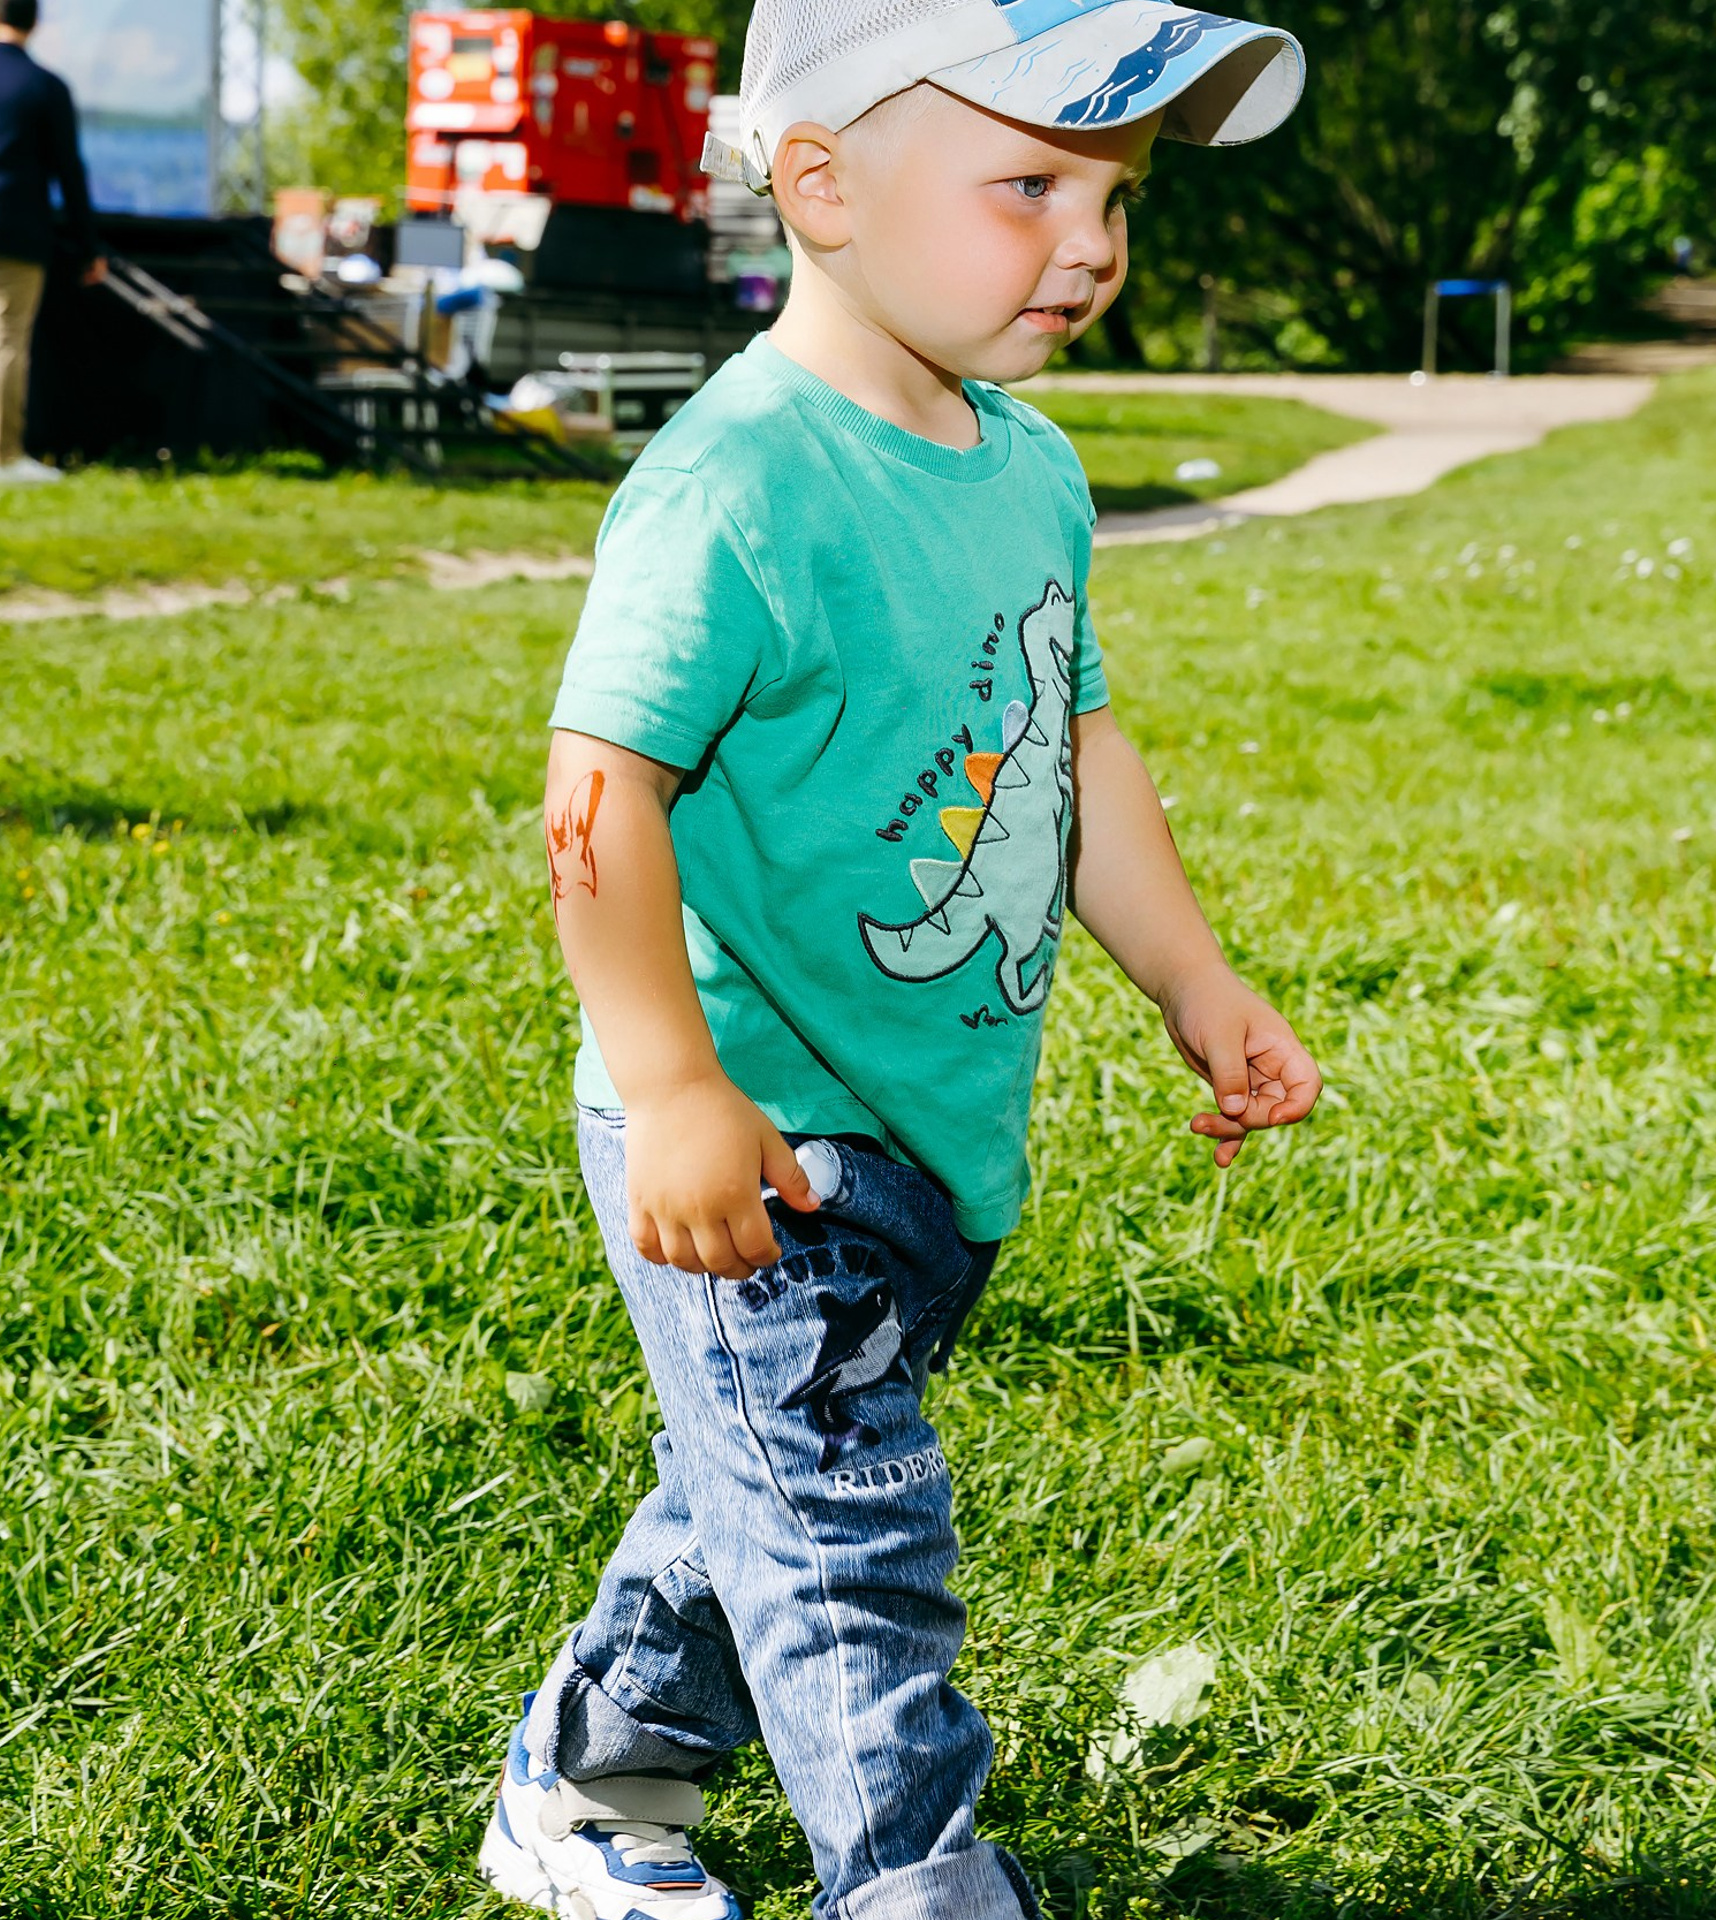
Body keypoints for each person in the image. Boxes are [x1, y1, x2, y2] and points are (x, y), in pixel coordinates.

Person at [487, 4, 1316, 1918]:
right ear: (823, 183)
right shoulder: (737, 484)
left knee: (756, 1500)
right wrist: (680, 1086)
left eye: (1112, 193)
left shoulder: (1024, 467)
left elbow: (1078, 749)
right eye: (1031, 180)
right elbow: (597, 790)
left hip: (935, 1126)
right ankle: (921, 1886)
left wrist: (1194, 981)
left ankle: (584, 1781)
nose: (1091, 241)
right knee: (855, 1542)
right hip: (760, 1131)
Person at [0, 0, 105, 484]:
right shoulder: (46, 86)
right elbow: (70, 173)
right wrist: (88, 246)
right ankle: (2, 458)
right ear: (36, 22)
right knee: (4, 341)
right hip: (12, 231)